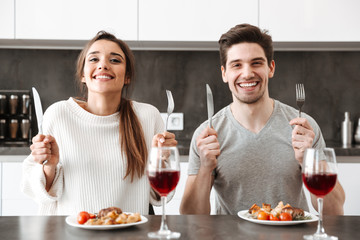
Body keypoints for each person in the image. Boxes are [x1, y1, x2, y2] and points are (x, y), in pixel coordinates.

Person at [180, 24, 345, 215]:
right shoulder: (207, 134)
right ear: (224, 73)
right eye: (237, 65)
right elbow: (191, 217)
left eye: (256, 63)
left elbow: (335, 211)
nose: (247, 73)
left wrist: (309, 161)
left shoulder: (303, 127)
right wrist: (205, 168)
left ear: (271, 68)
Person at [22, 31, 177, 215]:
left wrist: (161, 162)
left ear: (127, 76)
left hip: (130, 234)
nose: (103, 65)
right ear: (82, 74)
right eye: (94, 59)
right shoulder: (58, 114)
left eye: (115, 60)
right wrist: (49, 165)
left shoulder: (148, 116)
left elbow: (159, 196)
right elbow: (38, 193)